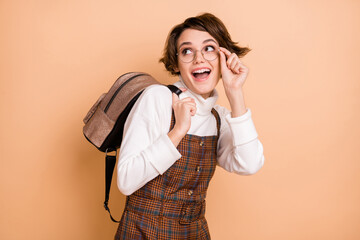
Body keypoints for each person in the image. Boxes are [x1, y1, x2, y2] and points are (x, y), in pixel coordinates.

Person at [114, 13, 264, 240]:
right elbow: (125, 181)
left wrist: (235, 94)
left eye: (209, 49)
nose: (199, 59)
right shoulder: (157, 98)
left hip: (195, 233)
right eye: (187, 51)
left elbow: (250, 164)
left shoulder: (218, 118)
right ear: (176, 63)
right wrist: (178, 131)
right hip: (143, 232)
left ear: (224, 57)